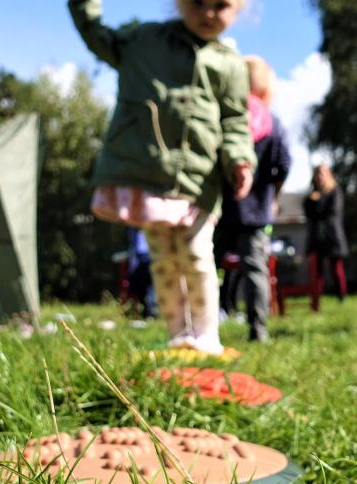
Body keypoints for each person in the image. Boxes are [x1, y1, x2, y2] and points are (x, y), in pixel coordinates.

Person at [69, 0, 256, 355]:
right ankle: (178, 335)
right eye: (198, 2)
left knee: (197, 254)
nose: (208, 13)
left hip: (198, 179)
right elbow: (98, 37)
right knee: (164, 260)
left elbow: (235, 121)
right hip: (150, 176)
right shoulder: (145, 41)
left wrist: (240, 160)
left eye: (221, 5)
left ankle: (207, 336)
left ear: (239, 9)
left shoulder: (230, 64)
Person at [215, 55, 291, 342]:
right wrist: (273, 195)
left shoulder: (225, 115)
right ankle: (258, 329)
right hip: (256, 210)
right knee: (255, 270)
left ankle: (198, 328)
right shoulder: (273, 122)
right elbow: (284, 164)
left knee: (205, 266)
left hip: (220, 207)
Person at [304, 164, 348, 312]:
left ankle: (341, 297)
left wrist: (317, 201)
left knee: (336, 269)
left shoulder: (335, 192)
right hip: (317, 237)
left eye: (323, 173)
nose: (320, 176)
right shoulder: (311, 195)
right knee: (317, 272)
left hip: (332, 236)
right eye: (318, 173)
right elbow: (309, 213)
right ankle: (316, 300)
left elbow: (331, 212)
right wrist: (314, 200)